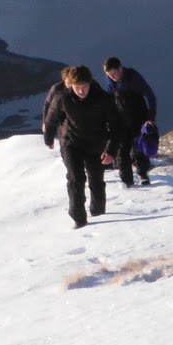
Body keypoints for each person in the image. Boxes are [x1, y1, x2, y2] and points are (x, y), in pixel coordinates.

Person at [41, 64, 126, 229]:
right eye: (77, 87)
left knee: (96, 178)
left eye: (84, 86)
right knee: (75, 178)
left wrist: (111, 151)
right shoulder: (62, 98)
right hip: (71, 143)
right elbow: (51, 119)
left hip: (96, 143)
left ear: (90, 83)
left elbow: (117, 126)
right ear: (70, 85)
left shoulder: (103, 98)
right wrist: (48, 138)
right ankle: (78, 218)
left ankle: (98, 210)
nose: (81, 91)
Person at [103, 56, 158, 188]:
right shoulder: (110, 81)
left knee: (139, 148)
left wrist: (150, 118)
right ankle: (127, 181)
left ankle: (142, 174)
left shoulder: (133, 77)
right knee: (122, 150)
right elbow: (109, 99)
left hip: (138, 117)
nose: (112, 77)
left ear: (120, 68)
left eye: (114, 74)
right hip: (120, 119)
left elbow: (150, 96)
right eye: (109, 75)